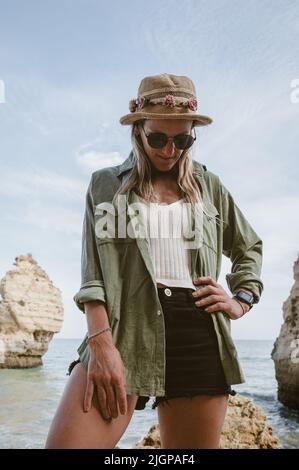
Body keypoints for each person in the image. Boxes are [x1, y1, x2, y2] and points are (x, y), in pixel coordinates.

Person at [45, 73, 263, 449]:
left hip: (198, 334)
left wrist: (240, 301)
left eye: (182, 140)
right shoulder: (105, 185)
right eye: (158, 138)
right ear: (138, 131)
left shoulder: (210, 188)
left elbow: (249, 248)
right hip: (123, 330)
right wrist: (100, 343)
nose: (169, 151)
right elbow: (92, 272)